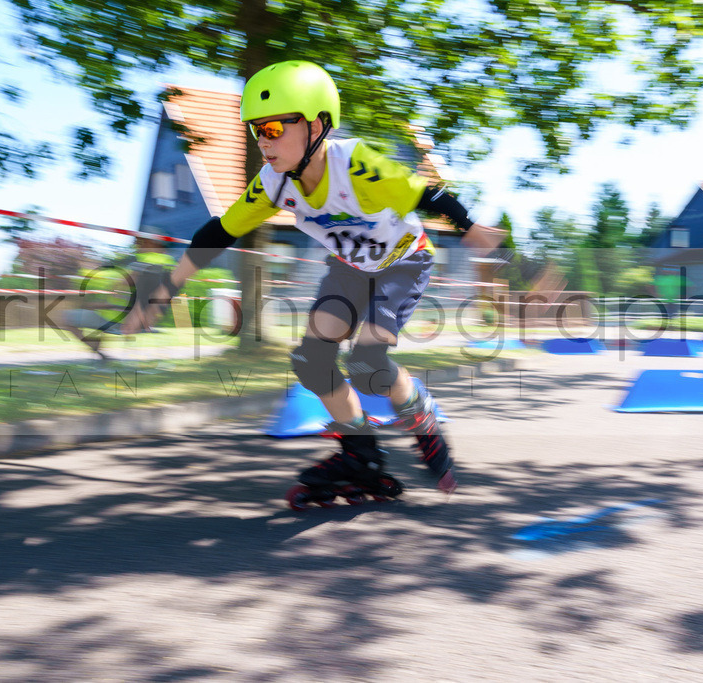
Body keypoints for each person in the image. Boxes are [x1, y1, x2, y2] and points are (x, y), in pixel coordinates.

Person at [140, 61, 504, 494]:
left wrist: (470, 228)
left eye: (274, 129)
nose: (263, 142)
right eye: (257, 131)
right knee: (312, 361)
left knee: (368, 364)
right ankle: (360, 455)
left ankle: (419, 414)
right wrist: (168, 287)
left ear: (316, 126)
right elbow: (220, 230)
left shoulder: (356, 164)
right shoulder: (274, 183)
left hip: (402, 263)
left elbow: (427, 193)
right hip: (349, 268)